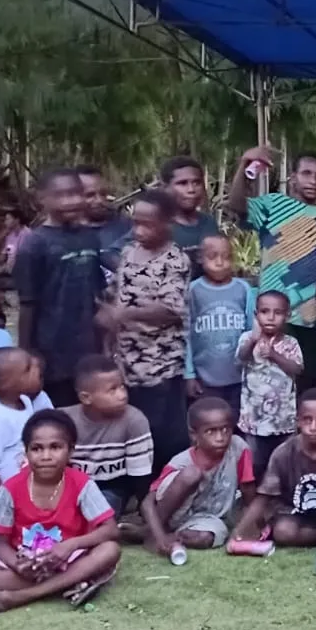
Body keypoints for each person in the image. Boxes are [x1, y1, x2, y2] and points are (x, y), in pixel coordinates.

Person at [0, 410, 123, 615]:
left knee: (110, 550)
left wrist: (71, 545)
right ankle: (71, 583)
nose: (46, 456)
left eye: (55, 447)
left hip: (71, 560)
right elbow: (0, 544)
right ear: (26, 452)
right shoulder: (11, 488)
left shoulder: (81, 483)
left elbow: (110, 530)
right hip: (28, 566)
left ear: (70, 451)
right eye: (37, 448)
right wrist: (18, 565)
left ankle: (21, 596)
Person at [226, 146, 316, 392]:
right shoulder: (274, 204)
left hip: (312, 319)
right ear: (293, 177)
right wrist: (245, 165)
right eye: (306, 173)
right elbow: (237, 205)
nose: (313, 180)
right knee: (269, 385)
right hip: (274, 316)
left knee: (305, 385)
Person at [103, 189, 191, 466]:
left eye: (148, 225)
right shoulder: (129, 253)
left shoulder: (174, 260)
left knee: (162, 432)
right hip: (127, 363)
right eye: (136, 223)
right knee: (133, 425)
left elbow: (171, 310)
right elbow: (116, 294)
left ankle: (165, 479)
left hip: (160, 365)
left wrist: (123, 315)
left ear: (168, 223)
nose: (139, 231)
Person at [16, 167, 105, 406]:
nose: (71, 201)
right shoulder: (34, 244)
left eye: (76, 193)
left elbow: (98, 292)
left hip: (88, 346)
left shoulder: (90, 237)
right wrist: (27, 352)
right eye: (61, 195)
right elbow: (27, 303)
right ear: (42, 199)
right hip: (52, 349)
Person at [230, 388, 316, 553]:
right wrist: (239, 532)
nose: (313, 427)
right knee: (283, 532)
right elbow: (264, 497)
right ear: (297, 421)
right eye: (307, 420)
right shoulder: (284, 452)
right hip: (292, 513)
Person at [141, 397, 253, 557]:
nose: (220, 437)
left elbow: (248, 489)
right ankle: (153, 533)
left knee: (204, 539)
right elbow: (148, 502)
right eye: (211, 431)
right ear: (194, 435)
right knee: (191, 474)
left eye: (225, 429)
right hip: (175, 515)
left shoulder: (238, 448)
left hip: (208, 519)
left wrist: (251, 525)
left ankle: (150, 533)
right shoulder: (180, 462)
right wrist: (158, 537)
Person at [0, 348, 51, 563]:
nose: (37, 368)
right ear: (5, 383)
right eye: (28, 368)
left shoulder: (26, 403)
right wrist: (10, 502)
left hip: (21, 502)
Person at [65, 354, 155, 516]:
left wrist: (144, 510)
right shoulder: (64, 420)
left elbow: (140, 476)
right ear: (86, 398)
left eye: (122, 387)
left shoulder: (134, 420)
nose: (122, 395)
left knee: (98, 516)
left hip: (111, 489)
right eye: (112, 390)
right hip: (70, 488)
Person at [184, 233, 255, 417]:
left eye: (226, 257)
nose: (220, 262)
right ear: (200, 259)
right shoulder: (193, 291)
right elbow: (185, 334)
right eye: (212, 256)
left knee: (237, 422)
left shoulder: (243, 289)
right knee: (209, 420)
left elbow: (251, 331)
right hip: (205, 379)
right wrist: (189, 374)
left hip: (238, 377)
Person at [237, 290, 304, 477]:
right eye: (264, 312)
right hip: (253, 419)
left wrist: (274, 355)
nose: (271, 317)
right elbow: (240, 359)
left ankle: (280, 489)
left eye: (278, 313)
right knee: (254, 463)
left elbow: (297, 369)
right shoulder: (247, 339)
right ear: (256, 314)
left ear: (287, 316)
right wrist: (253, 340)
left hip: (283, 420)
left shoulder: (291, 343)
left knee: (284, 462)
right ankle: (253, 489)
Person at [158, 155, 220, 277]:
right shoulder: (155, 225)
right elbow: (115, 256)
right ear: (165, 188)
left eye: (197, 182)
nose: (191, 189)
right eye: (182, 183)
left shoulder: (209, 223)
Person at [75, 164, 133, 272]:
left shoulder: (129, 226)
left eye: (103, 194)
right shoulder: (62, 234)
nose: (99, 200)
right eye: (90, 195)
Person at [0, 208, 28, 275]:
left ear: (17, 220)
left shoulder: (26, 234)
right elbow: (5, 254)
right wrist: (1, 238)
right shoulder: (10, 235)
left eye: (8, 219)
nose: (5, 222)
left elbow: (22, 256)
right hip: (10, 269)